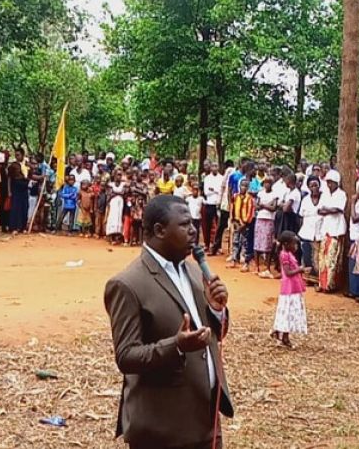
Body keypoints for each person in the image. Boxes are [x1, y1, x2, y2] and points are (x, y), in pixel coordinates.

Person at [104, 195, 233, 449]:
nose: (193, 230)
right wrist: (176, 346)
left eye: (193, 224)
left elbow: (213, 333)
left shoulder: (194, 271)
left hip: (206, 419)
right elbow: (126, 356)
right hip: (163, 429)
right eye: (185, 225)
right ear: (159, 230)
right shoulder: (128, 284)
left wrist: (217, 311)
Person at [271, 231, 309, 348]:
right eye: (294, 244)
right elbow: (288, 272)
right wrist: (300, 270)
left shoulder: (289, 254)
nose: (296, 246)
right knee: (288, 312)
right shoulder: (284, 255)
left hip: (293, 288)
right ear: (286, 244)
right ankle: (284, 336)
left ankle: (279, 331)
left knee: (288, 312)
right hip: (289, 289)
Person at [317, 170, 347, 293]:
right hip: (326, 229)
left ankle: (330, 285)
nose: (329, 185)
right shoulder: (324, 194)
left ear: (336, 183)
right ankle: (321, 284)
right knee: (322, 258)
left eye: (331, 182)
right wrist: (330, 210)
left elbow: (338, 209)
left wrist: (327, 210)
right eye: (328, 182)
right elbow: (320, 210)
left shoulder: (341, 194)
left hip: (336, 230)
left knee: (332, 259)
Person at [298, 176, 323, 285]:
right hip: (307, 231)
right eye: (311, 185)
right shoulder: (305, 200)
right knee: (307, 257)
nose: (314, 188)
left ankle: (318, 280)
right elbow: (301, 216)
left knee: (318, 258)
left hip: (320, 232)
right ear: (308, 187)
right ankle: (308, 279)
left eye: (316, 185)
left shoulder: (324, 198)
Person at [255, 177, 279, 278]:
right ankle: (257, 267)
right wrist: (266, 205)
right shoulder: (260, 193)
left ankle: (268, 268)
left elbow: (273, 208)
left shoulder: (275, 194)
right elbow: (256, 206)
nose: (267, 185)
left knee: (268, 244)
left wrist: (263, 205)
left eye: (269, 183)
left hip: (269, 220)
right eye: (265, 183)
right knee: (258, 243)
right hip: (260, 218)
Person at [230, 178, 255, 272]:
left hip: (245, 224)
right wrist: (232, 220)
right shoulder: (235, 196)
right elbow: (232, 208)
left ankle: (244, 259)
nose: (243, 187)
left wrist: (245, 223)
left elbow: (250, 212)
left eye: (245, 186)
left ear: (248, 187)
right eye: (242, 185)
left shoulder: (250, 199)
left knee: (244, 242)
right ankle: (233, 259)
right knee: (235, 241)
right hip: (236, 222)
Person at [8, 148, 31, 234]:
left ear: (23, 155)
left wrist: (42, 177)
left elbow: (31, 175)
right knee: (15, 208)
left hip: (24, 188)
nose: (17, 157)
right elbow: (9, 178)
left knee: (24, 207)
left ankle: (23, 227)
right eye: (16, 155)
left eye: (18, 155)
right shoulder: (13, 166)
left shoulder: (27, 165)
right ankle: (14, 227)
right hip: (16, 188)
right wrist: (9, 191)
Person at [202, 163, 224, 252]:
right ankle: (207, 244)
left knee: (219, 226)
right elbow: (206, 192)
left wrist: (213, 189)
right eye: (213, 166)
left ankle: (218, 246)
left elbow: (221, 191)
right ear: (211, 168)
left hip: (218, 203)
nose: (215, 168)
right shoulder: (207, 178)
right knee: (208, 225)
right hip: (209, 203)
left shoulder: (222, 178)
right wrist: (216, 190)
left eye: (216, 166)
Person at [106, 170, 126, 245]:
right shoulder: (111, 184)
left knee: (119, 218)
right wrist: (118, 193)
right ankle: (111, 236)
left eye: (120, 175)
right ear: (114, 176)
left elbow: (123, 193)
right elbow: (110, 194)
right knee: (112, 217)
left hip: (120, 202)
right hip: (113, 202)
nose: (119, 176)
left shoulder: (123, 184)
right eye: (117, 175)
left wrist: (115, 193)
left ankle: (117, 236)